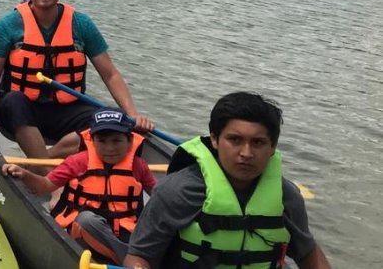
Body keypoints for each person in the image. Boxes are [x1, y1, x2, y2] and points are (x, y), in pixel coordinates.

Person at [124, 92, 331, 269]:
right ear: (215, 139)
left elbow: (307, 253)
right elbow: (140, 255)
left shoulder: (287, 196)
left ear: (273, 146)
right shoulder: (178, 191)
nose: (246, 153)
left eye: (258, 142)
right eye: (235, 140)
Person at [0, 0, 154, 159]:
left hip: (67, 110)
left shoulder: (81, 24)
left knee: (115, 119)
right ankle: (46, 174)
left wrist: (131, 113)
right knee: (14, 100)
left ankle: (47, 158)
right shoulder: (9, 24)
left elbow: (110, 74)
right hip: (21, 110)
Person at [4, 108, 156, 262]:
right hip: (84, 230)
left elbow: (159, 195)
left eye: (117, 140)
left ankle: (128, 257)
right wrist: (24, 174)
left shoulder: (138, 166)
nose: (110, 148)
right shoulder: (78, 161)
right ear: (92, 140)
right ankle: (130, 260)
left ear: (130, 141)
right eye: (102, 141)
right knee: (86, 220)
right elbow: (44, 185)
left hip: (124, 230)